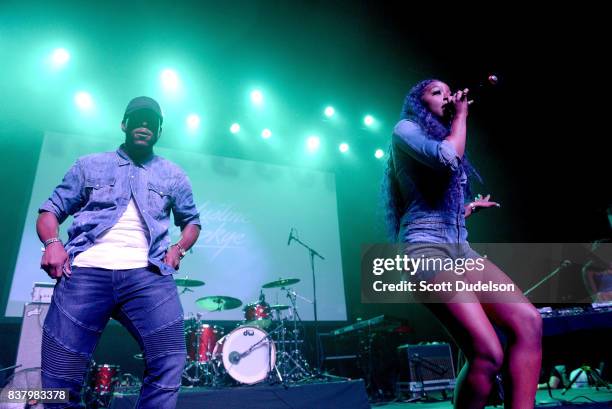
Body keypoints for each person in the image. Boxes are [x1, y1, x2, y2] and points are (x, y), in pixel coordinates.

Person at [382, 79, 542, 408]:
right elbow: (447, 159)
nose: (448, 96)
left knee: (529, 322)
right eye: (436, 92)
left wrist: (466, 209)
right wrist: (462, 115)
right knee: (487, 353)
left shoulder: (445, 135)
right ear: (418, 101)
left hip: (460, 249)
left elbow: (435, 198)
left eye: (448, 90)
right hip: (424, 250)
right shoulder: (405, 128)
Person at [37, 96, 201, 408]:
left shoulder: (174, 175)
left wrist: (179, 249)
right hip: (85, 271)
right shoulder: (89, 165)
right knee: (58, 379)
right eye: (138, 119)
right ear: (124, 124)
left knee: (170, 359)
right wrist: (52, 244)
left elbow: (191, 222)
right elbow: (50, 211)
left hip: (147, 275)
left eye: (151, 122)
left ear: (159, 131)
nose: (144, 126)